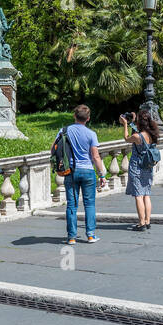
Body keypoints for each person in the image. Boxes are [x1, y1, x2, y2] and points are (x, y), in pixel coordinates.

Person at [63, 104, 106, 244]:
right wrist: (102, 174)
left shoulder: (64, 131)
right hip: (87, 171)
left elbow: (54, 149)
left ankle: (71, 237)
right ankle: (91, 235)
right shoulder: (91, 134)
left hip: (71, 171)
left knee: (71, 205)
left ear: (74, 116)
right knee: (89, 204)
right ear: (88, 118)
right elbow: (95, 156)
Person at [122, 108, 160, 230]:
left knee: (138, 195)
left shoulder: (137, 136)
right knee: (146, 194)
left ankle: (141, 223)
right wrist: (133, 121)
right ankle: (147, 221)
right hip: (148, 167)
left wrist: (125, 124)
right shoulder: (152, 134)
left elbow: (127, 138)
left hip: (137, 167)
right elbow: (137, 134)